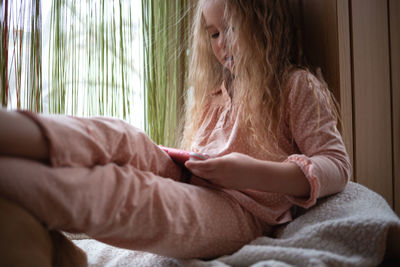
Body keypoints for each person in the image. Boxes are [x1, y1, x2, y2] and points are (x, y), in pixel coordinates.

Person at [0, 0, 351, 260]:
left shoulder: (295, 85)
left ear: (266, 24)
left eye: (230, 28)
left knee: (134, 192)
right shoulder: (215, 97)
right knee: (122, 136)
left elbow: (336, 166)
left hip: (240, 212)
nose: (221, 44)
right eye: (213, 33)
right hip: (191, 181)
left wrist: (246, 171)